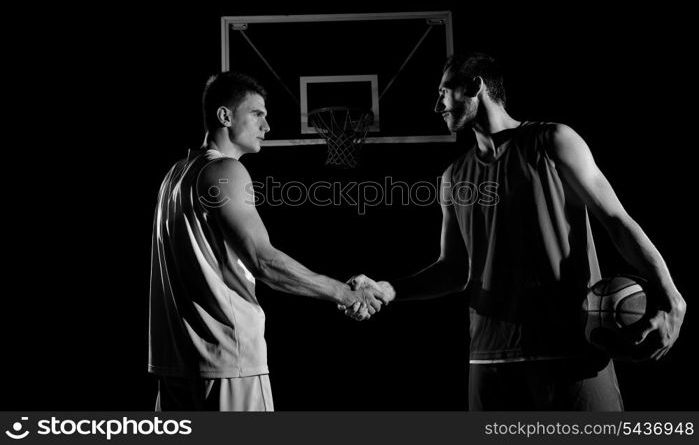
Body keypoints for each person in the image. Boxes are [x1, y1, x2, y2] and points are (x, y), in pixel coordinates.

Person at [346, 53, 686, 410]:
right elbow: (454, 270)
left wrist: (671, 296)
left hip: (570, 354)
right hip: (490, 361)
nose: (437, 106)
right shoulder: (453, 178)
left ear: (474, 86)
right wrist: (388, 289)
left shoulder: (554, 140)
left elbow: (616, 221)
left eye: (443, 92)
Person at [149, 71, 391, 411]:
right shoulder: (226, 171)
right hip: (227, 363)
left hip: (175, 365)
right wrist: (345, 292)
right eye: (257, 114)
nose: (267, 127)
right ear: (225, 116)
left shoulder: (174, 175)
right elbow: (263, 261)